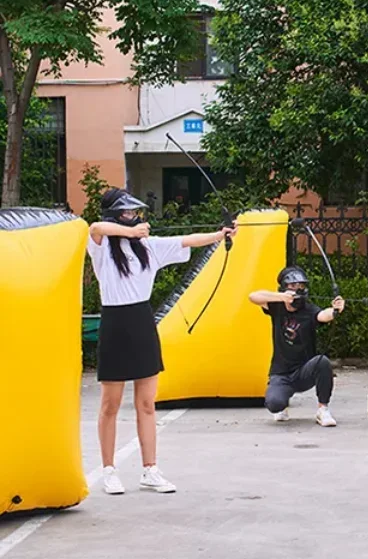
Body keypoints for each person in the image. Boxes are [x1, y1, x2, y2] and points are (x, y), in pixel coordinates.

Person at [87, 188, 236, 495]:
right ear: (115, 215)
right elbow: (95, 228)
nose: (133, 217)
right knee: (110, 404)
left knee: (146, 403)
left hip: (142, 322)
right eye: (127, 213)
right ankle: (109, 470)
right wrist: (130, 232)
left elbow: (187, 240)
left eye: (134, 213)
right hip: (115, 323)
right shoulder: (102, 248)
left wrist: (219, 234)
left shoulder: (148, 247)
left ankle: (150, 469)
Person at [249, 266, 344, 426]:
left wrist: (335, 310)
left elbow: (323, 315)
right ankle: (283, 404)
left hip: (304, 372)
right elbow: (253, 296)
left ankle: (323, 409)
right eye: (293, 286)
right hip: (281, 373)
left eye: (301, 286)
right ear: (284, 287)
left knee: (322, 362)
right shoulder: (276, 307)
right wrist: (281, 297)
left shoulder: (308, 309)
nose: (297, 290)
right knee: (274, 403)